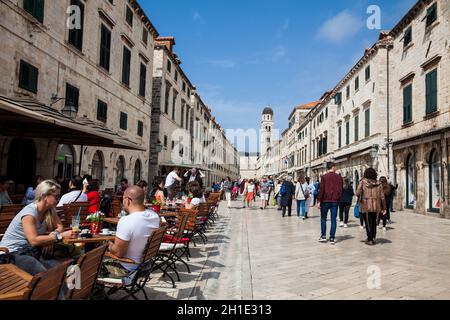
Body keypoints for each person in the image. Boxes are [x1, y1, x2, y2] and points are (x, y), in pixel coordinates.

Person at [0, 180, 74, 276]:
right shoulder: (29, 214)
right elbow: (34, 240)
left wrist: (52, 236)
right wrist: (58, 237)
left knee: (61, 269)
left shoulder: (50, 210)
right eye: (56, 196)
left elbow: (60, 226)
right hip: (12, 253)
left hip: (30, 251)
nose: (58, 199)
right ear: (45, 196)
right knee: (45, 275)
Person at [102, 186, 160, 279]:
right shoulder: (154, 216)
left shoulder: (126, 221)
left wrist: (108, 245)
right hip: (145, 265)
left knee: (87, 266)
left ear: (128, 200)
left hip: (127, 268)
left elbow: (118, 253)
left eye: (123, 199)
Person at [356, 168, 386, 246]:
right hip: (376, 205)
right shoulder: (379, 183)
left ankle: (370, 239)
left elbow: (357, 192)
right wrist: (384, 207)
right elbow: (382, 196)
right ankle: (372, 236)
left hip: (365, 205)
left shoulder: (363, 182)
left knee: (367, 222)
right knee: (373, 221)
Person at [318, 162, 343, 245]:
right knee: (333, 220)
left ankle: (323, 236)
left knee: (323, 218)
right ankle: (332, 238)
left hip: (325, 200)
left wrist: (319, 201)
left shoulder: (324, 177)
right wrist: (338, 198)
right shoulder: (339, 178)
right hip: (335, 201)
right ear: (333, 167)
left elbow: (321, 190)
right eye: (335, 167)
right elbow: (340, 190)